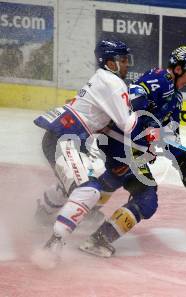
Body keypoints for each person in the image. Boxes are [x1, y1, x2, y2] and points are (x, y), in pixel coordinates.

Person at [78, 45, 186, 258]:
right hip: (120, 143)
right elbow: (130, 107)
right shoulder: (159, 80)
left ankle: (63, 208)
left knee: (114, 176)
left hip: (127, 148)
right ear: (178, 68)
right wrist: (144, 138)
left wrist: (185, 165)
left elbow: (169, 136)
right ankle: (97, 239)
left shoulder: (176, 98)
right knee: (147, 200)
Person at [32, 39, 136, 263]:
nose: (127, 64)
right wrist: (153, 134)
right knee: (89, 190)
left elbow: (108, 123)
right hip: (67, 138)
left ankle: (43, 214)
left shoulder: (103, 78)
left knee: (83, 180)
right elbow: (127, 124)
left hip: (65, 137)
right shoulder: (114, 83)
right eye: (123, 60)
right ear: (109, 63)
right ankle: (53, 244)